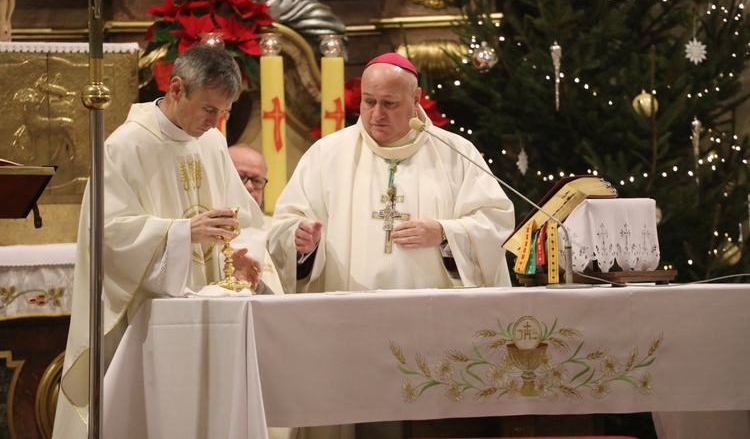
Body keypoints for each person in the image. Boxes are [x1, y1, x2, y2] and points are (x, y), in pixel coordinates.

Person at [52, 45, 267, 439]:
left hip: (212, 315)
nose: (215, 121)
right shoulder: (124, 147)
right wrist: (183, 232)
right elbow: (109, 237)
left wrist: (241, 255)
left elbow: (243, 219)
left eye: (223, 112)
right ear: (176, 88)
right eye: (208, 109)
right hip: (149, 322)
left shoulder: (213, 142)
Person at [268, 52, 514, 296]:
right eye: (369, 101)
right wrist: (301, 240)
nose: (377, 114)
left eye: (389, 103)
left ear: (415, 98)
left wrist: (443, 232)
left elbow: (494, 222)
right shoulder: (325, 154)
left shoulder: (455, 153)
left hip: (432, 315)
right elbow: (285, 224)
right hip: (349, 314)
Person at [229, 143, 287, 295]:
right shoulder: (206, 226)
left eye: (256, 181)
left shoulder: (274, 227)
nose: (249, 186)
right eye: (241, 177)